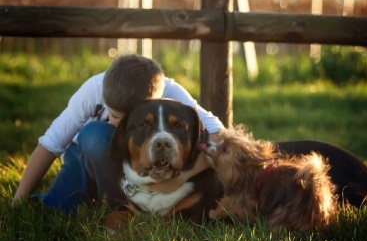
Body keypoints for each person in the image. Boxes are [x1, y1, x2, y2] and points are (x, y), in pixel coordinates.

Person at [12, 54, 224, 214]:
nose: (120, 125)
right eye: (114, 115)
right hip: (87, 157)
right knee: (56, 208)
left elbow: (218, 134)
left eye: (132, 121)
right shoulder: (94, 89)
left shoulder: (168, 91)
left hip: (135, 160)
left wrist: (180, 179)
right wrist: (17, 202)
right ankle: (115, 203)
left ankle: (125, 208)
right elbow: (50, 145)